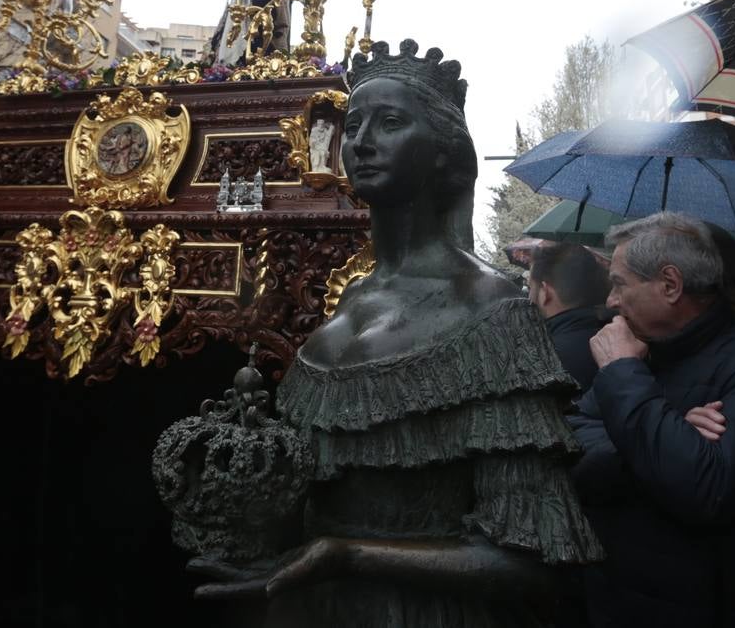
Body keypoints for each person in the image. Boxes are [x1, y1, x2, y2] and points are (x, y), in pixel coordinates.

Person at [192, 40, 602, 626]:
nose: (360, 142)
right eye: (352, 124)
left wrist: (348, 556)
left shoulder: (493, 311)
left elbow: (533, 560)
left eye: (389, 123)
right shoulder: (350, 299)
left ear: (441, 152)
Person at [568, 212, 735, 628]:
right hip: (617, 601)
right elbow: (570, 449)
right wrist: (669, 434)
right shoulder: (641, 354)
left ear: (670, 285)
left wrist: (623, 378)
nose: (611, 301)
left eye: (619, 283)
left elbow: (705, 489)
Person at [527, 242, 609, 393]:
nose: (529, 298)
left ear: (545, 292)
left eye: (531, 288)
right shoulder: (628, 342)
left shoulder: (540, 360)